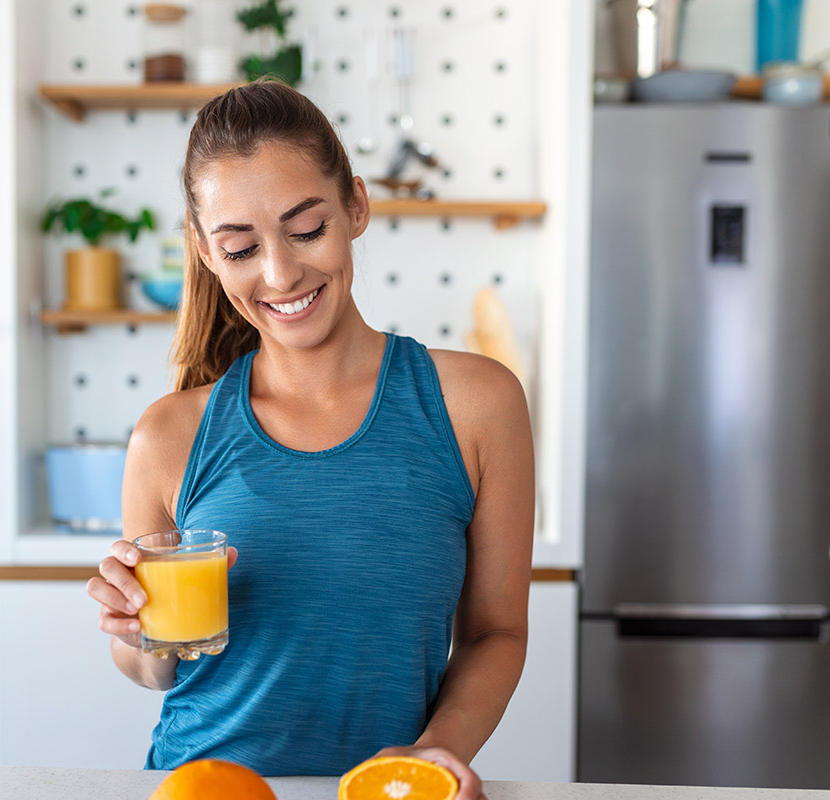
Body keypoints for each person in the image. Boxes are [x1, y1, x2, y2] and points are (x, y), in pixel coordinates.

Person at [86, 79, 533, 800]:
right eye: (239, 247)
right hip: (204, 785)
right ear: (203, 251)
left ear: (356, 205)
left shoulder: (477, 404)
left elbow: (495, 633)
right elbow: (153, 667)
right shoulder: (169, 434)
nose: (281, 273)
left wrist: (432, 752)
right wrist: (134, 628)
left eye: (305, 229)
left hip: (387, 791)